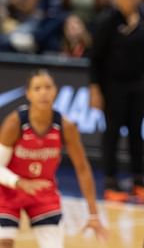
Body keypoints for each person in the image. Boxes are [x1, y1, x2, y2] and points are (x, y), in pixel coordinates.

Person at [0, 69, 107, 247]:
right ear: (28, 94)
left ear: (55, 91)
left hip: (43, 190)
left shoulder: (65, 126)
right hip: (9, 190)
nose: (43, 92)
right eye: (37, 88)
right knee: (5, 243)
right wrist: (20, 182)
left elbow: (82, 168)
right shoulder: (15, 123)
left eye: (48, 87)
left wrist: (94, 214)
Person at [89, 0, 144, 202]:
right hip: (112, 86)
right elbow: (95, 58)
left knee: (137, 134)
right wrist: (95, 89)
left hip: (137, 84)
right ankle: (111, 182)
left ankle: (138, 180)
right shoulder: (108, 21)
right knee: (113, 134)